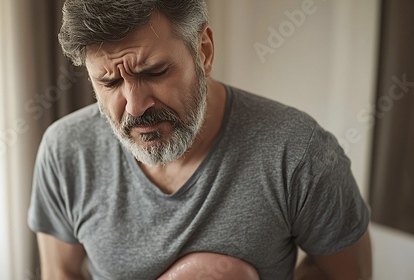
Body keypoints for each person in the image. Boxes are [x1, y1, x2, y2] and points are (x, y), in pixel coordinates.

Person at [27, 0, 372, 279]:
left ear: (203, 51)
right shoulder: (65, 150)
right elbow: (62, 272)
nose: (135, 106)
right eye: (109, 83)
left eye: (155, 72)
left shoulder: (299, 152)